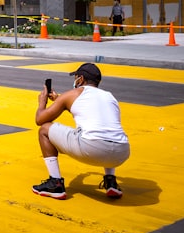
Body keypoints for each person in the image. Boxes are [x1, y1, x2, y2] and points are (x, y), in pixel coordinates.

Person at [32, 63, 130, 200]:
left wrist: (42, 102)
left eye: (76, 77)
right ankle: (110, 181)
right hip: (122, 152)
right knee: (106, 132)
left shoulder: (72, 94)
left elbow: (40, 119)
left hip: (93, 149)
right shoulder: (110, 97)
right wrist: (59, 100)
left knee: (44, 130)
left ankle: (55, 183)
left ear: (81, 79)